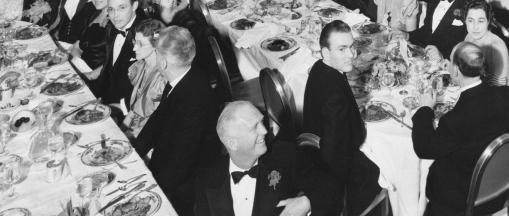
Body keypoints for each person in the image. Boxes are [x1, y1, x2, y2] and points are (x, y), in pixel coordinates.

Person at [412, 41, 509, 216]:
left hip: (462, 199)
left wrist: (424, 110)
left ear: (455, 70)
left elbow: (423, 148)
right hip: (500, 188)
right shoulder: (508, 95)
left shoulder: (454, 121)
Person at [194, 101, 335, 216]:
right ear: (232, 143)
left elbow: (328, 185)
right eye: (254, 127)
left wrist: (307, 201)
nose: (264, 131)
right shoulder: (207, 181)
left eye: (262, 122)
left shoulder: (284, 156)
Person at [134, 25, 220, 213]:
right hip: (168, 165)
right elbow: (156, 122)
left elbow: (181, 163)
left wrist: (149, 189)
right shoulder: (183, 76)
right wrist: (134, 154)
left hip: (184, 188)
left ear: (163, 63)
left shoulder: (194, 99)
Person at [302, 21, 382, 215]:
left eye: (352, 46)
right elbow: (335, 157)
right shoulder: (335, 100)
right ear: (326, 53)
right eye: (342, 49)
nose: (351, 54)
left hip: (316, 152)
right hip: (340, 172)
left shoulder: (319, 68)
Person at [463, 0, 509, 90]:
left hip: (504, 92)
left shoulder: (496, 47)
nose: (475, 27)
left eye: (481, 21)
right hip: (481, 88)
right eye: (470, 21)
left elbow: (499, 87)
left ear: (488, 21)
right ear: (465, 20)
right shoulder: (468, 38)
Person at [123, 19, 167, 136]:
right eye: (135, 42)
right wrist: (121, 130)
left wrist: (127, 136)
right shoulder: (140, 66)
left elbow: (155, 122)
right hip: (136, 126)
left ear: (156, 44)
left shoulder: (162, 78)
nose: (134, 49)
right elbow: (135, 109)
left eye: (140, 44)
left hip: (151, 134)